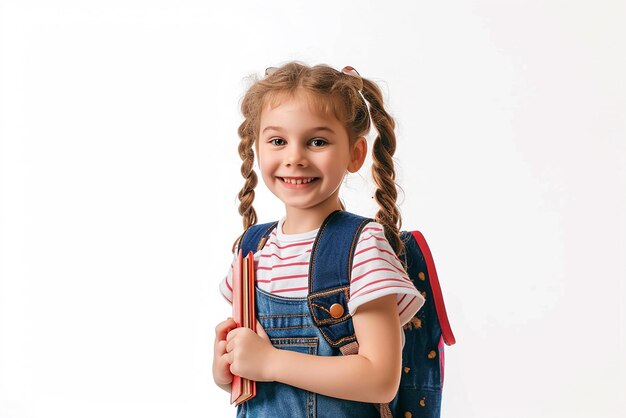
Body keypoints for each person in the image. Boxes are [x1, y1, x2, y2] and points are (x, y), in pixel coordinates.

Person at [212, 62, 425, 417]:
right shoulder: (252, 249)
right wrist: (227, 370)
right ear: (256, 149)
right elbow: (253, 378)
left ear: (355, 154)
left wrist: (270, 363)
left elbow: (379, 378)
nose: (295, 157)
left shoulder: (361, 246)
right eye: (278, 141)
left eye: (317, 141)